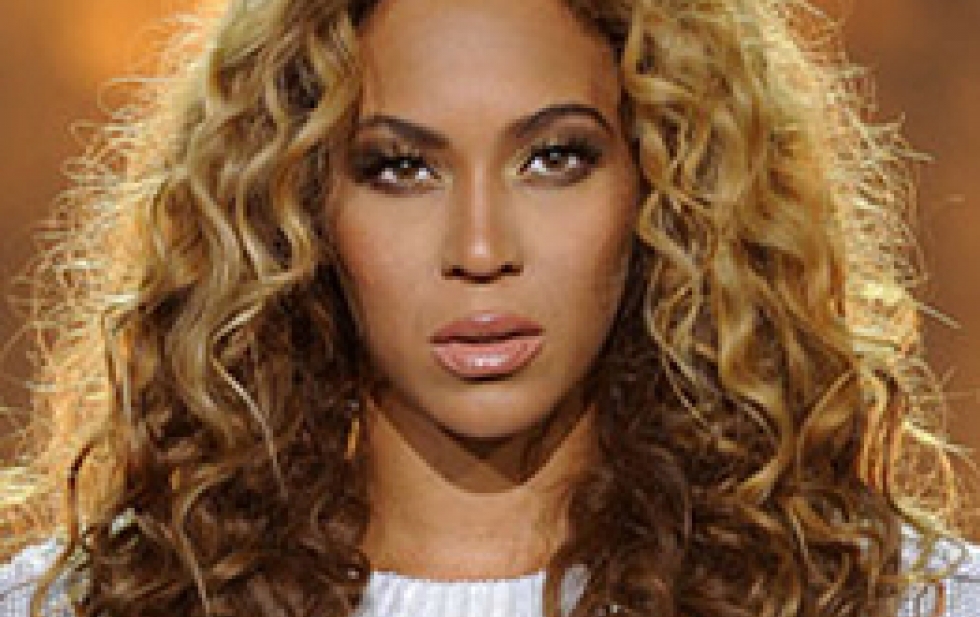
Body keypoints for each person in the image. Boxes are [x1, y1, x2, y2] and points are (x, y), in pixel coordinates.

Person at [1, 0, 978, 615]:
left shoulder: (904, 600)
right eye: (400, 167)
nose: (479, 249)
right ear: (295, 204)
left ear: (666, 183)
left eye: (554, 157)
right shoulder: (83, 605)